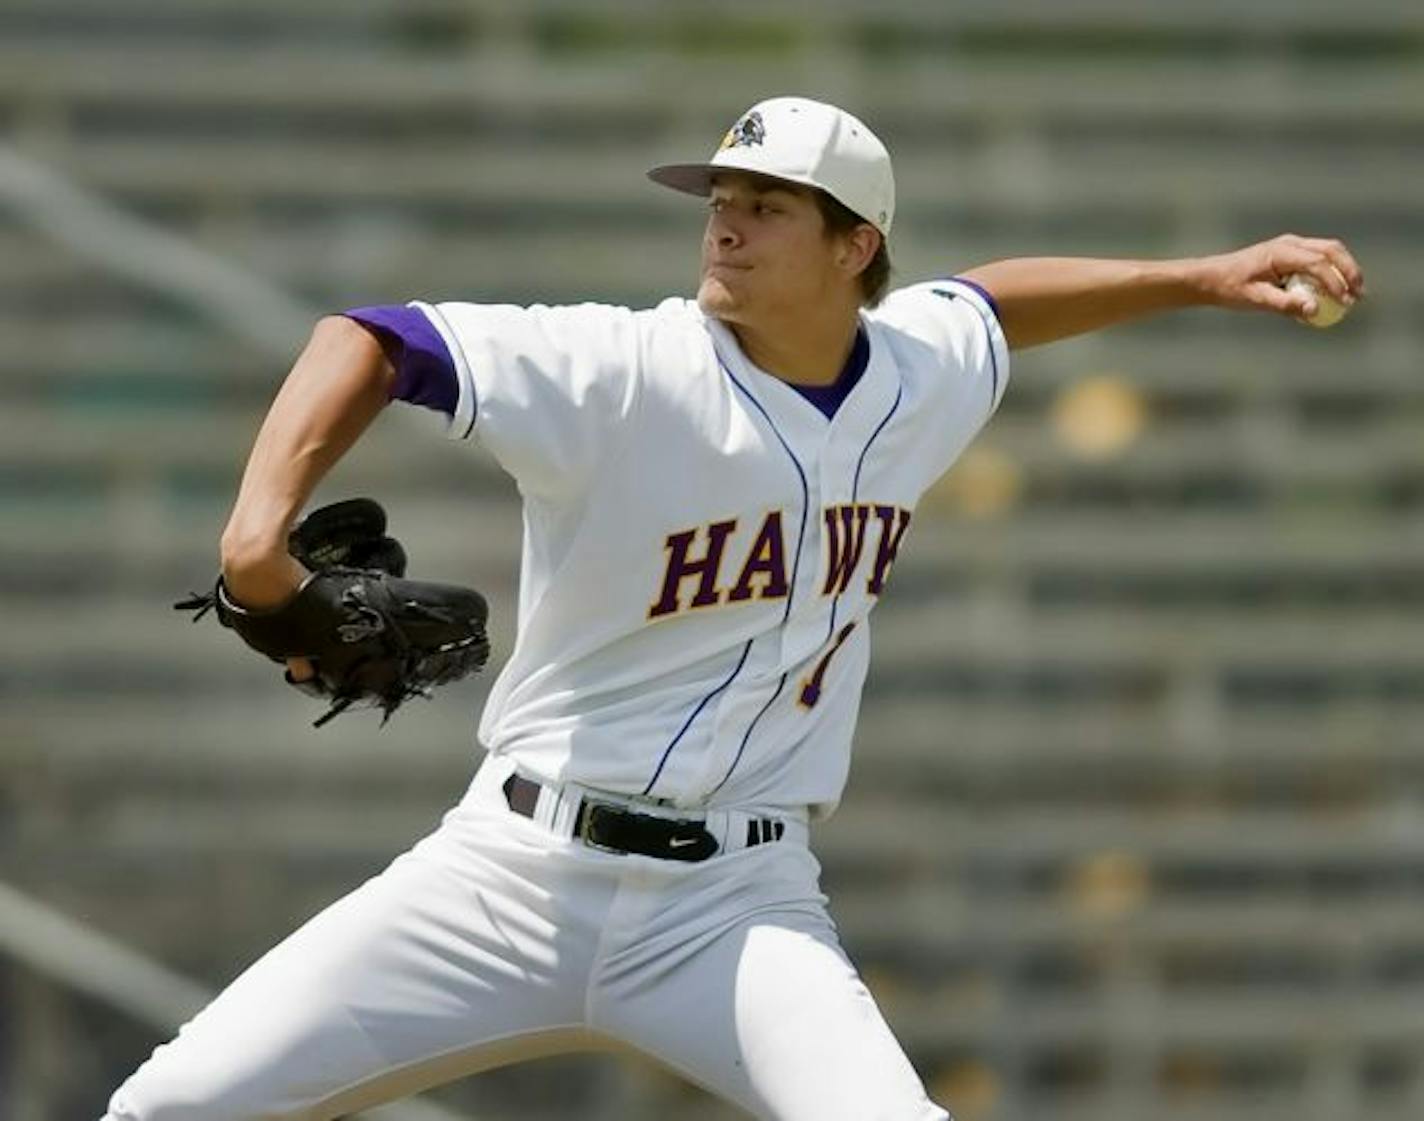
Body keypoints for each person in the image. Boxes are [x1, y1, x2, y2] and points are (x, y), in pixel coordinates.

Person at [104, 96, 1364, 1121]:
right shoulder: (621, 366)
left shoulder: (915, 373)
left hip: (736, 906)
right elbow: (372, 337)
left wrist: (1201, 276)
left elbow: (990, 302)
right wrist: (253, 539)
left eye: (765, 207)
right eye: (717, 201)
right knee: (176, 1108)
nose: (724, 227)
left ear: (852, 245)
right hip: (512, 872)